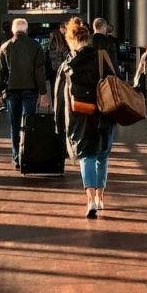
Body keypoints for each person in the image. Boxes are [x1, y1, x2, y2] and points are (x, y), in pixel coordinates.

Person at [54, 16, 117, 218]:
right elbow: (115, 85)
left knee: (86, 157)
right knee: (102, 157)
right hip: (103, 114)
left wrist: (58, 124)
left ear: (71, 41)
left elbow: (59, 97)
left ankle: (89, 200)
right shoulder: (102, 57)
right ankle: (100, 197)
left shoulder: (67, 64)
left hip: (79, 116)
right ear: (88, 38)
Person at [0, 18, 49, 166]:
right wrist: (43, 93)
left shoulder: (5, 47)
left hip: (11, 91)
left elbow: (0, 72)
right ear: (26, 29)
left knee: (15, 125)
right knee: (28, 123)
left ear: (13, 30)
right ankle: (28, 156)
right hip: (30, 91)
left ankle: (17, 157)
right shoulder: (35, 46)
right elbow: (40, 72)